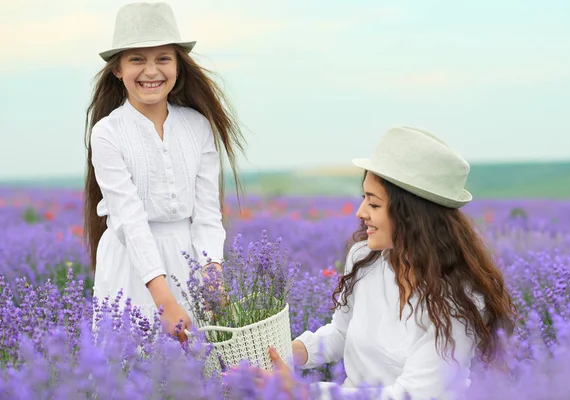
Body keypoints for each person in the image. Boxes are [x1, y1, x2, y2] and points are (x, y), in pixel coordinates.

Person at [259, 126, 516, 399]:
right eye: (364, 199)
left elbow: (409, 395)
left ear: (411, 215)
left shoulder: (456, 301)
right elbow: (342, 333)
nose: (360, 213)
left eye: (374, 204)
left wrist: (300, 392)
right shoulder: (364, 259)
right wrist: (286, 354)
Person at [83, 2, 245, 342]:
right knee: (132, 369)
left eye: (163, 58)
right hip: (132, 264)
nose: (151, 71)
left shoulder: (198, 126)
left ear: (178, 65)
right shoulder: (108, 133)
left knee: (197, 374)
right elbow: (129, 219)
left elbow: (207, 214)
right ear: (117, 69)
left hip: (189, 262)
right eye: (137, 59)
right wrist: (164, 299)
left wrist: (212, 279)